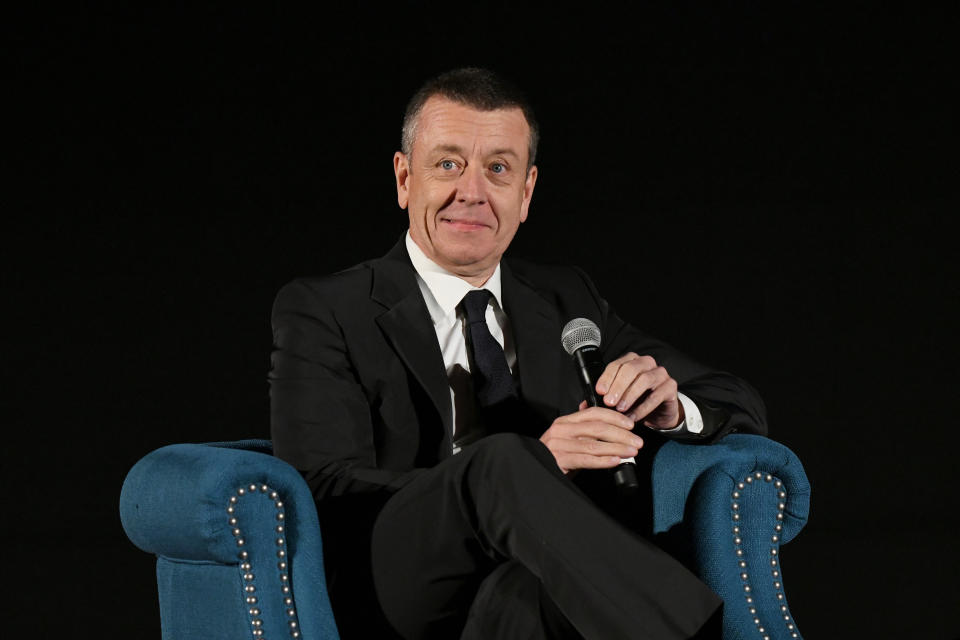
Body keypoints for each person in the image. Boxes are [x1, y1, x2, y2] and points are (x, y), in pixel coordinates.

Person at [270, 67, 767, 639]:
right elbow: (321, 486)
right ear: (405, 179)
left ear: (525, 193)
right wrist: (532, 464)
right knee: (505, 459)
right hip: (397, 576)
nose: (473, 192)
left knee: (525, 600)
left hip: (535, 572)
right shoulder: (324, 308)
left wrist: (674, 407)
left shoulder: (565, 299)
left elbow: (737, 400)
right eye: (448, 164)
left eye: (498, 169)